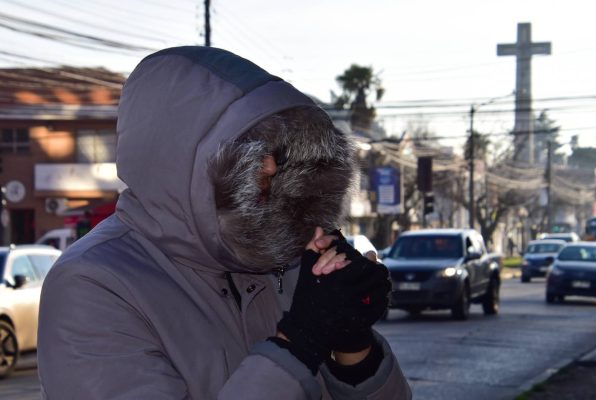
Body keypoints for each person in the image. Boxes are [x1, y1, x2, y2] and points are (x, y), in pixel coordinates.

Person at [38, 46, 411, 399]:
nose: (270, 166)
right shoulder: (93, 284)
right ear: (179, 161)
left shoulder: (284, 258)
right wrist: (298, 344)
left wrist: (354, 347)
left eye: (277, 151)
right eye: (250, 149)